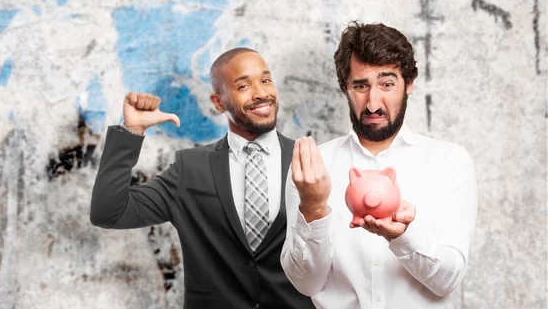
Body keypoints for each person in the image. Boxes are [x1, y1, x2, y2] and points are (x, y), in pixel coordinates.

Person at [90, 48, 315, 309]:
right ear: (219, 103)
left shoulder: (311, 159)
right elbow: (108, 213)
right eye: (243, 85)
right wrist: (131, 132)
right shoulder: (190, 168)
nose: (261, 93)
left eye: (265, 80)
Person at [281, 22, 478, 309]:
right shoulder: (312, 168)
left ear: (408, 84)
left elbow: (448, 281)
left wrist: (403, 236)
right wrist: (312, 207)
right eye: (361, 86)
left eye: (387, 84)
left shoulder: (449, 162)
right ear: (345, 88)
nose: (373, 103)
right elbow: (306, 283)